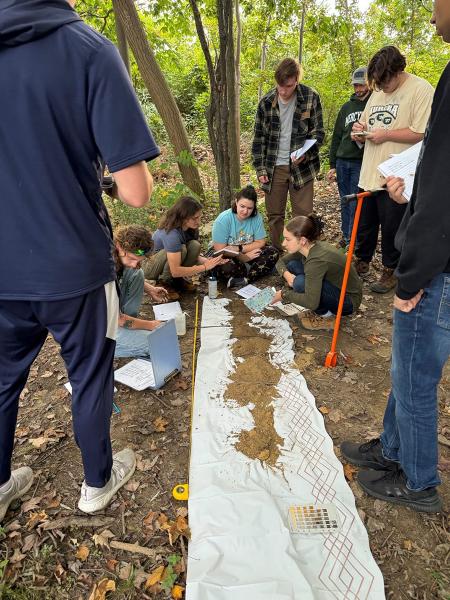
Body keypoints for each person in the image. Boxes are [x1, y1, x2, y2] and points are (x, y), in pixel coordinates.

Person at [0, 0, 160, 522]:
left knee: (2, 380)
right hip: (72, 263)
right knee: (90, 373)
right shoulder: (89, 49)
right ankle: (96, 482)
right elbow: (136, 192)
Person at [341, 2, 450, 514]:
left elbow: (444, 187)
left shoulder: (431, 88)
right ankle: (391, 449)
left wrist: (410, 275)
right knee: (406, 369)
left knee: (416, 377)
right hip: (427, 242)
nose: (432, 17)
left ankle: (421, 481)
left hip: (436, 264)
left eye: (436, 6)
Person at [351, 46, 434, 293]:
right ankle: (362, 261)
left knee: (392, 226)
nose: (382, 87)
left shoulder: (420, 89)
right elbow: (367, 125)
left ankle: (391, 270)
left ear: (398, 70)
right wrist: (359, 130)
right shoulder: (377, 94)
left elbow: (422, 133)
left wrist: (385, 134)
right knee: (364, 223)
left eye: (385, 81)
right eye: (377, 83)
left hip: (397, 176)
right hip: (369, 172)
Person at [251, 58, 325, 252]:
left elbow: (318, 133)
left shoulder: (310, 97)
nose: (283, 91)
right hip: (273, 167)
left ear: (297, 81)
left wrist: (305, 155)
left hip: (302, 168)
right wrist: (260, 169)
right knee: (275, 214)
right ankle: (279, 252)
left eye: (289, 86)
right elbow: (258, 140)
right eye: (280, 86)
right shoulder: (266, 103)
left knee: (303, 215)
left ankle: (304, 254)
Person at [271, 214, 362, 331]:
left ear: (303, 240)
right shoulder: (309, 246)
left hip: (348, 301)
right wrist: (287, 275)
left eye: (288, 239)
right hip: (335, 286)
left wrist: (284, 295)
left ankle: (326, 317)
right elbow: (280, 262)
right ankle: (323, 308)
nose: (283, 243)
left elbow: (311, 302)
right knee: (292, 265)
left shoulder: (316, 261)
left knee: (300, 283)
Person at [328, 67, 371, 247]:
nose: (359, 89)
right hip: (342, 161)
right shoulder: (347, 107)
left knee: (355, 203)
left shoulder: (372, 105)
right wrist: (332, 164)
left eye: (362, 85)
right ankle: (346, 237)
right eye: (356, 85)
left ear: (369, 84)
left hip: (360, 162)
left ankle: (353, 240)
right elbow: (337, 136)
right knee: (344, 201)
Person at [144, 196, 225, 291]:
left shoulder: (191, 228)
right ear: (183, 217)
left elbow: (194, 256)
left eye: (200, 217)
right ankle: (165, 283)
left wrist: (210, 261)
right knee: (182, 249)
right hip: (150, 267)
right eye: (195, 218)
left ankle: (177, 281)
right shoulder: (172, 234)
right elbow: (175, 270)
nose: (198, 222)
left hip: (171, 262)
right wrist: (205, 267)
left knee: (195, 246)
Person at [114, 225, 170, 358]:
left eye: (139, 260)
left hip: (115, 319)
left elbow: (131, 272)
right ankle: (110, 345)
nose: (134, 264)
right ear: (119, 247)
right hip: (91, 331)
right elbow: (118, 319)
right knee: (156, 343)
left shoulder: (118, 257)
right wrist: (151, 325)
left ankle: (128, 328)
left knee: (137, 273)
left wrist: (150, 289)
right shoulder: (103, 272)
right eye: (132, 259)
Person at [211, 185, 279, 287]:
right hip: (229, 256)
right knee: (226, 267)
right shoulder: (223, 220)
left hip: (248, 251)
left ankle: (246, 279)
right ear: (236, 202)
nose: (245, 211)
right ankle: (257, 270)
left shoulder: (256, 217)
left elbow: (260, 242)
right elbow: (220, 251)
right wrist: (244, 257)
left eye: (249, 208)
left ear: (254, 206)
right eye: (242, 206)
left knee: (273, 252)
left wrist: (240, 248)